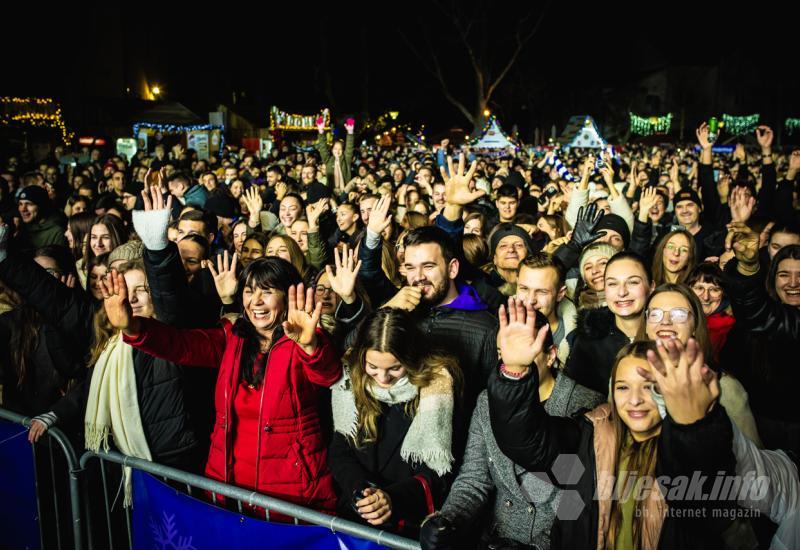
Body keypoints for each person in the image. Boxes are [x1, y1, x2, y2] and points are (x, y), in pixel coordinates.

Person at [486, 300, 736, 548]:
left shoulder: (685, 449)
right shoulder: (589, 437)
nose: (635, 400)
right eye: (623, 387)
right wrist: (515, 371)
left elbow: (707, 505)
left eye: (650, 388)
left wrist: (692, 426)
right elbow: (528, 442)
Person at [107, 257, 341, 513]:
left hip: (290, 495)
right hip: (229, 488)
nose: (256, 301)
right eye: (250, 291)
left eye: (268, 291)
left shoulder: (305, 341)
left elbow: (328, 375)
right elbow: (181, 344)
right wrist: (132, 327)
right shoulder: (232, 337)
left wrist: (310, 346)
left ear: (288, 297)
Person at [422, 308, 603, 549]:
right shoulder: (488, 402)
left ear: (551, 355)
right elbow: (474, 479)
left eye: (524, 353)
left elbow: (580, 493)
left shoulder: (587, 404)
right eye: (503, 353)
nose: (511, 361)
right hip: (496, 540)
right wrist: (447, 521)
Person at [328, 308, 462, 533]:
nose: (383, 378)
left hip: (408, 519)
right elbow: (340, 449)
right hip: (356, 512)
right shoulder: (350, 380)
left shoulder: (438, 386)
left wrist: (391, 499)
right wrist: (362, 491)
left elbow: (440, 470)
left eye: (395, 368)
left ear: (411, 358)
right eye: (373, 367)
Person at [637, 282, 762, 446]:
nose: (665, 321)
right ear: (646, 325)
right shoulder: (627, 378)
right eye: (655, 314)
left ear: (695, 325)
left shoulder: (723, 387)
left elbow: (754, 461)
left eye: (679, 314)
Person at [724, 223, 800, 455]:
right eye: (784, 275)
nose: (793, 283)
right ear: (773, 279)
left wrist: (748, 267)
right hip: (760, 433)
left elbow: (757, 312)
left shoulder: (763, 316)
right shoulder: (749, 327)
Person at [566, 252, 653, 394]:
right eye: (612, 284)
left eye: (633, 282)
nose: (622, 292)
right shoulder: (588, 341)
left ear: (652, 286)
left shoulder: (667, 334)